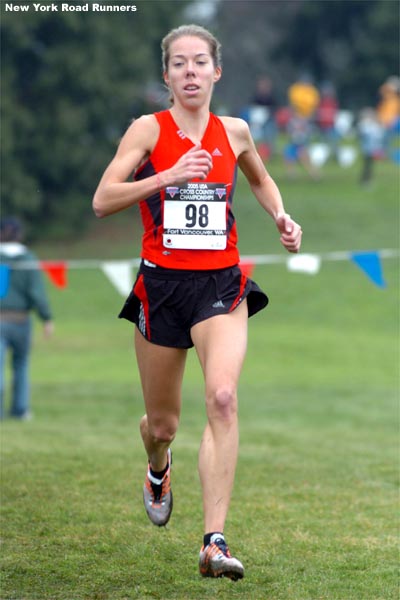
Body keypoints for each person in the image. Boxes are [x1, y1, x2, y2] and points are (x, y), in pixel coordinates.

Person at [93, 24, 302, 581]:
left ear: (216, 71)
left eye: (199, 62)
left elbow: (261, 180)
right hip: (161, 288)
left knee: (225, 397)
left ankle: (213, 542)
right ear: (167, 76)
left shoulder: (234, 131)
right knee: (163, 425)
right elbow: (103, 199)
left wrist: (281, 216)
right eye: (179, 64)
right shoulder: (146, 129)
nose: (190, 71)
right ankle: (158, 467)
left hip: (219, 285)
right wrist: (166, 175)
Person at [0, 217, 54, 420]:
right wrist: (46, 318)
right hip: (21, 320)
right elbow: (36, 293)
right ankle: (20, 409)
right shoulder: (28, 258)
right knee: (21, 365)